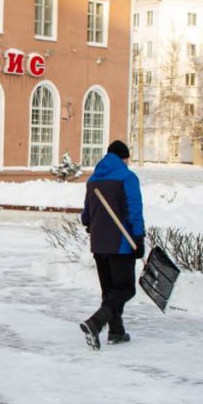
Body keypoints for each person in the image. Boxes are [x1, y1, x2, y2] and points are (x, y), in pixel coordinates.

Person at [79, 140, 144, 349]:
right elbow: (134, 209)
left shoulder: (93, 180)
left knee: (109, 291)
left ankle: (116, 331)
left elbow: (86, 215)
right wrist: (139, 237)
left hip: (99, 244)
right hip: (121, 244)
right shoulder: (127, 177)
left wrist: (91, 224)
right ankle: (96, 323)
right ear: (124, 158)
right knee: (125, 289)